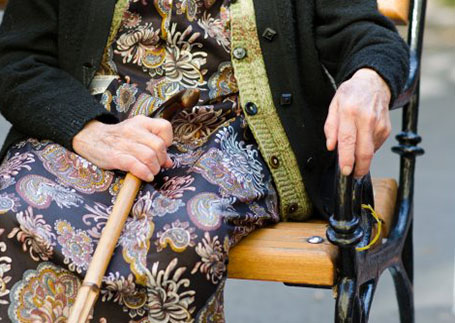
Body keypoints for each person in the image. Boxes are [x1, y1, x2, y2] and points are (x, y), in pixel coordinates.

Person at [0, 0, 408, 321]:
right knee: (11, 212)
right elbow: (17, 59)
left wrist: (370, 78)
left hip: (231, 135)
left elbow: (365, 33)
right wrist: (88, 130)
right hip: (92, 130)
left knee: (181, 235)